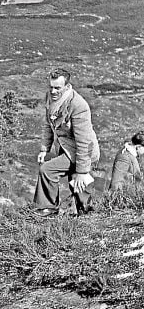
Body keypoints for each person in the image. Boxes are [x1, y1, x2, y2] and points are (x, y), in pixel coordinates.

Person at [33, 69, 100, 217]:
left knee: (48, 170)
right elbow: (48, 124)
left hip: (82, 151)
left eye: (57, 88)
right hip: (66, 148)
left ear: (67, 86)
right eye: (51, 87)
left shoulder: (78, 105)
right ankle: (86, 213)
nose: (53, 91)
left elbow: (84, 141)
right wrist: (44, 149)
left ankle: (47, 210)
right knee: (75, 182)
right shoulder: (50, 98)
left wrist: (82, 170)